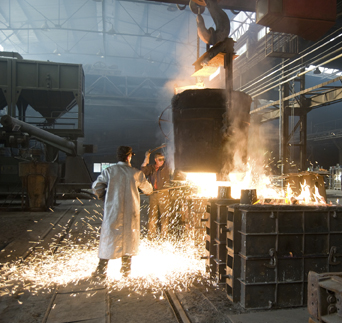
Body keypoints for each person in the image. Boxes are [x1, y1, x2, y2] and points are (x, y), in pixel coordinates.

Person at [92, 146, 153, 277]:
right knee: (129, 239)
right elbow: (148, 190)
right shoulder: (136, 173)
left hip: (113, 211)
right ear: (128, 157)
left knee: (109, 238)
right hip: (131, 213)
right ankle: (126, 270)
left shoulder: (109, 171)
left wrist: (103, 196)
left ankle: (101, 270)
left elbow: (96, 187)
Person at [141, 151, 172, 239]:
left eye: (163, 159)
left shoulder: (166, 167)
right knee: (152, 215)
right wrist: (147, 157)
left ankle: (164, 236)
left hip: (164, 194)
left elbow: (171, 157)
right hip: (153, 194)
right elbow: (143, 169)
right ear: (155, 160)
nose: (162, 161)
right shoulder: (151, 168)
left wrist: (168, 147)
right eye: (160, 160)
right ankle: (151, 236)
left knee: (164, 216)